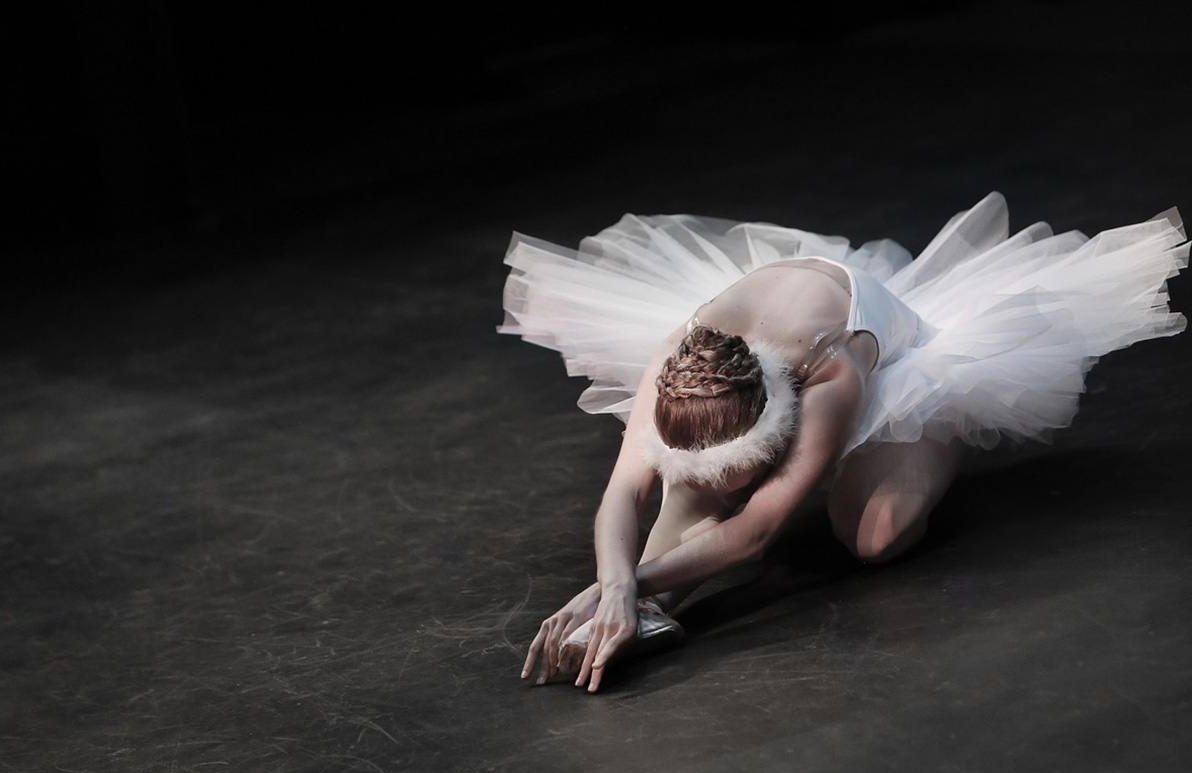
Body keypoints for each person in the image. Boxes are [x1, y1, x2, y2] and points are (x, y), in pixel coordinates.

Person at [499, 192, 1187, 693]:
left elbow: (757, 533)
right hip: (768, 354)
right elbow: (623, 492)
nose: (717, 480)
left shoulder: (831, 374)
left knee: (874, 538)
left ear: (774, 425)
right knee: (680, 520)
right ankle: (636, 615)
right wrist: (616, 587)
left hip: (897, 369)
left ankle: (936, 437)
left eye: (740, 466)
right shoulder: (673, 362)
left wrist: (616, 585)